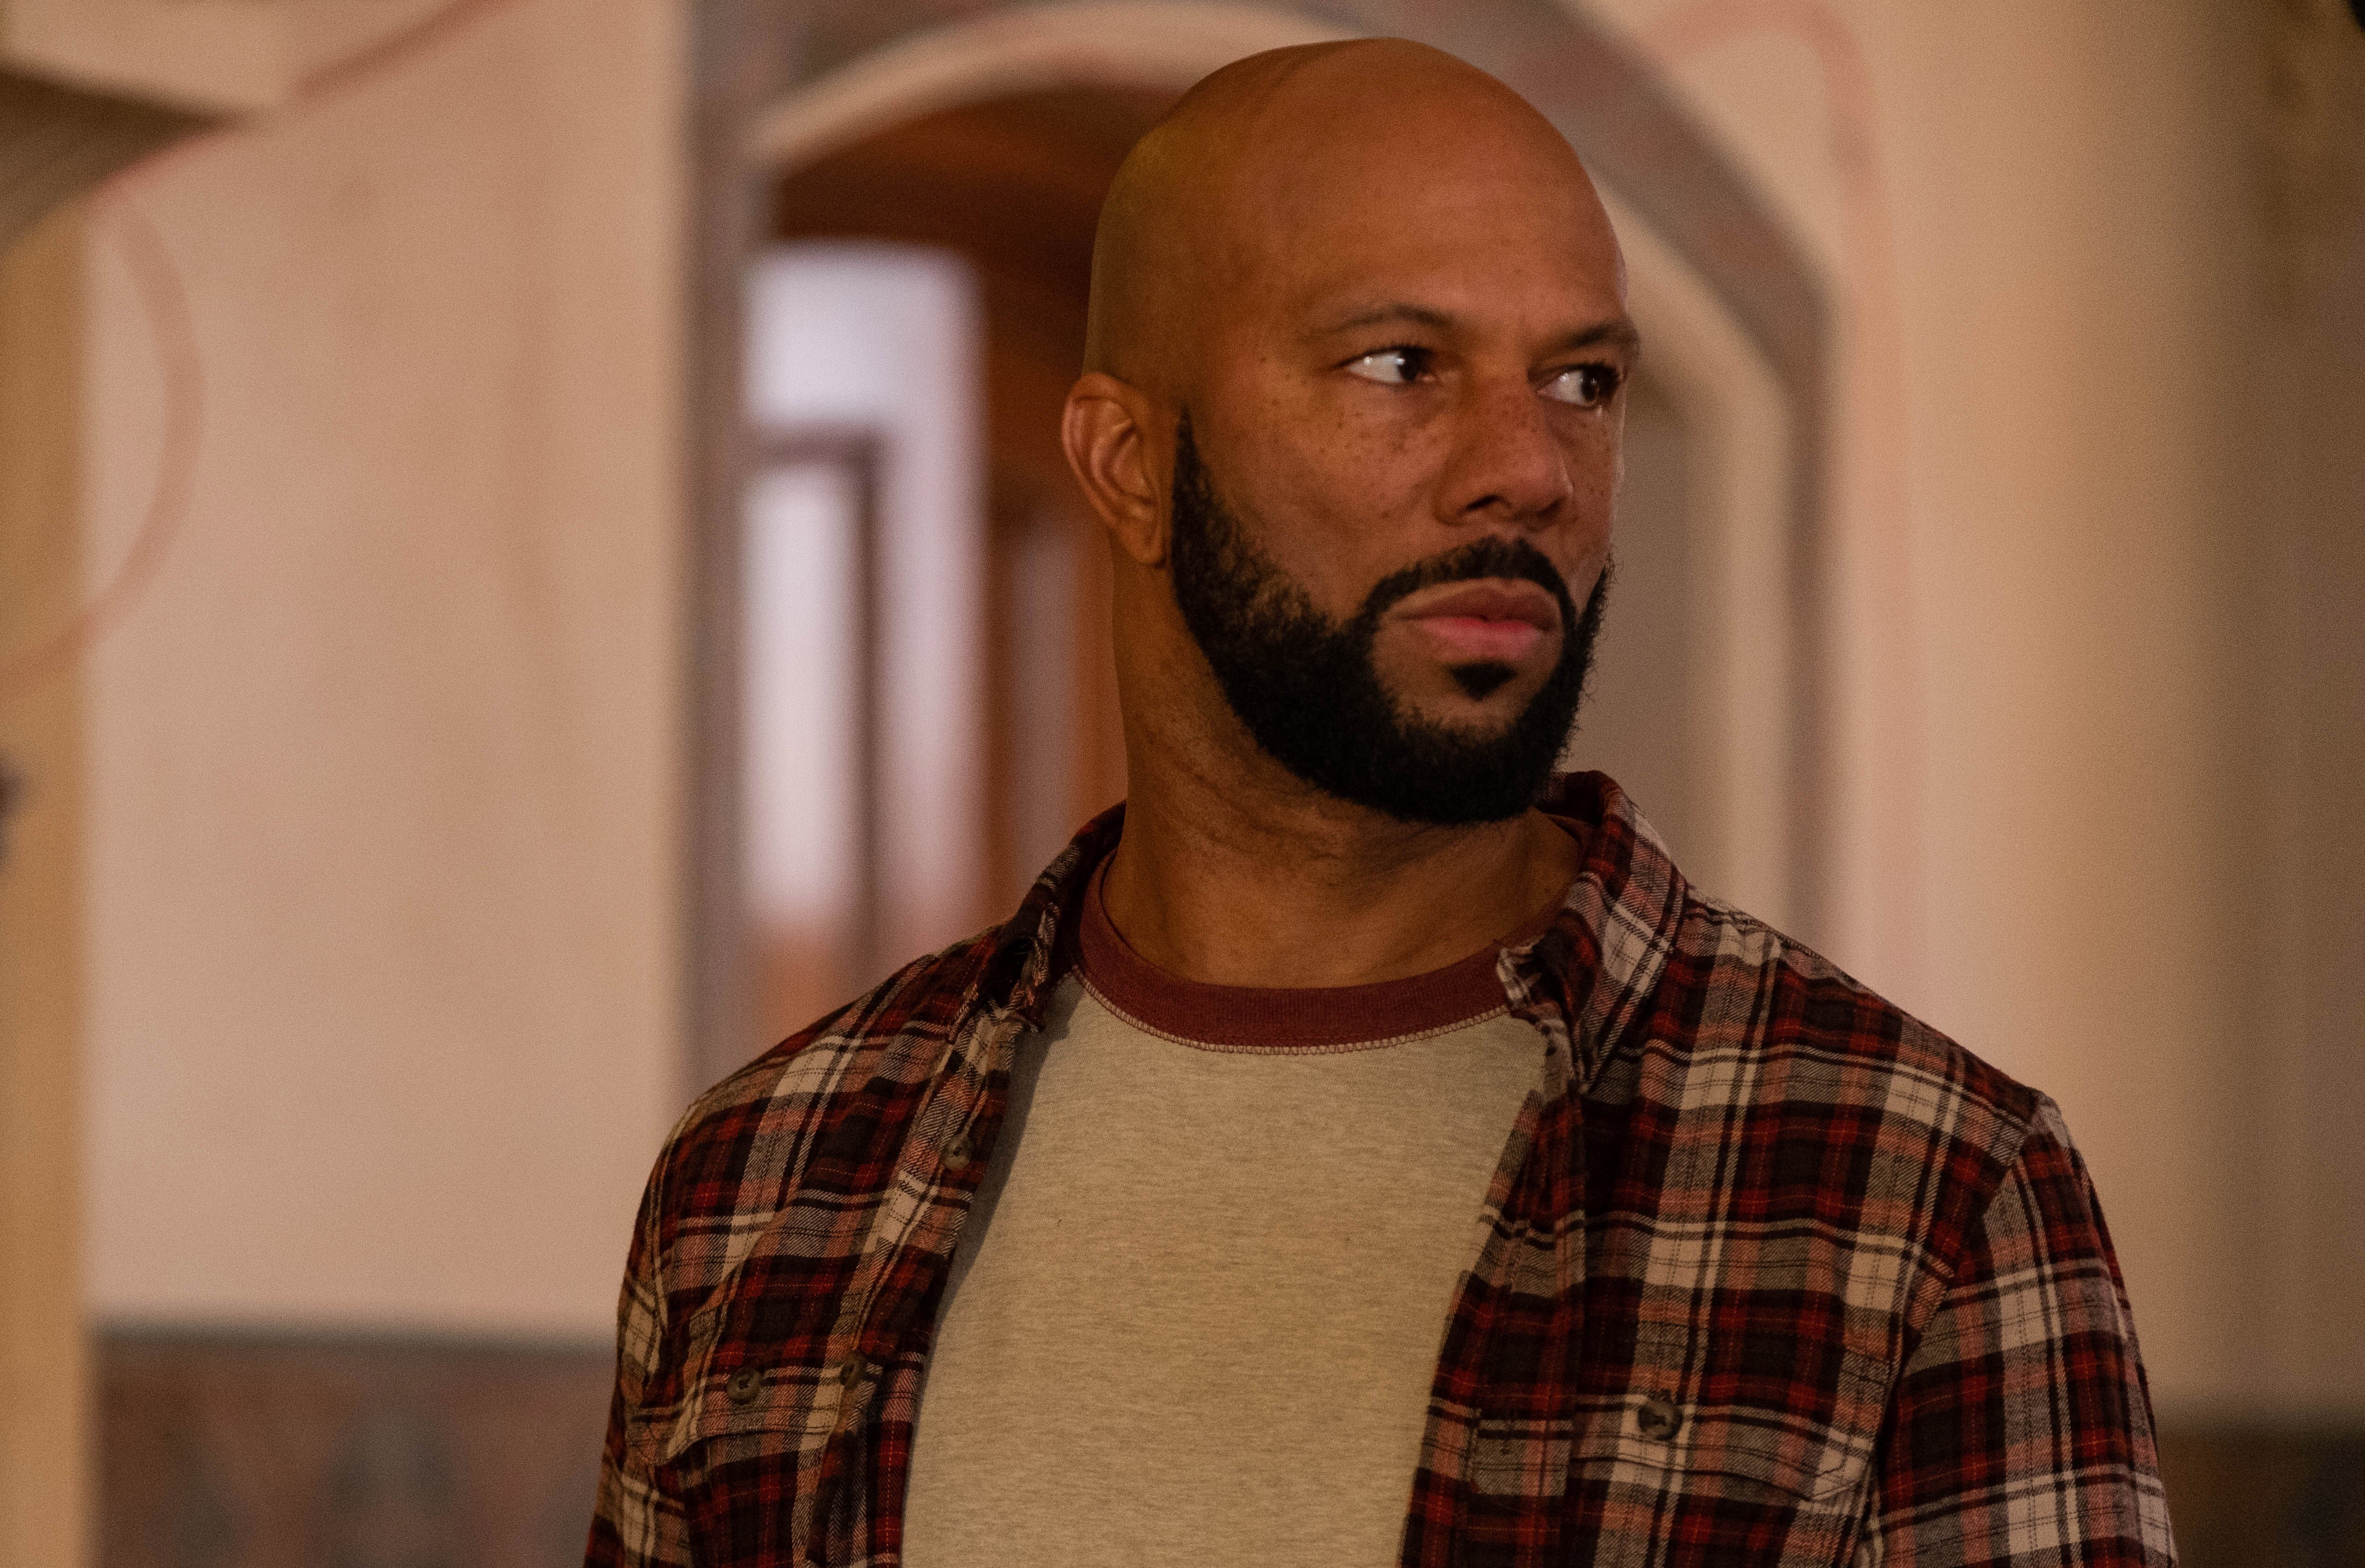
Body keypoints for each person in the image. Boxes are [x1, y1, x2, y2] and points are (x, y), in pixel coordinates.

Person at [589, 38, 2174, 1568]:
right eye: (1400, 364)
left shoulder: (1917, 1196)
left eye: (1582, 380)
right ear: (1129, 463)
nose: (1531, 468)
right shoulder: (764, 1188)